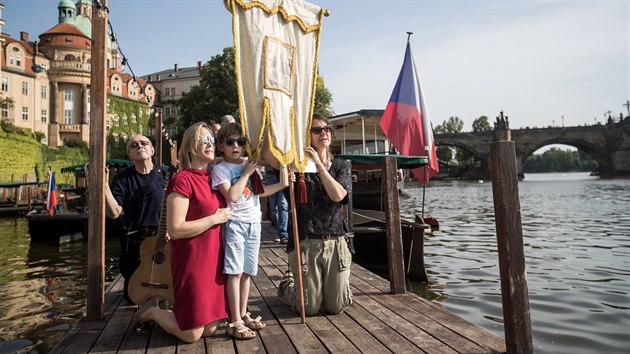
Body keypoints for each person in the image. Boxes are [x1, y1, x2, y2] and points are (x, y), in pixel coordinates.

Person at [131, 122, 232, 342]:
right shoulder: (182, 179)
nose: (209, 144)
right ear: (189, 147)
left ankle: (176, 314)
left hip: (214, 259)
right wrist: (214, 218)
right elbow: (175, 229)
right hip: (192, 261)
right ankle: (152, 312)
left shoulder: (215, 178)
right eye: (202, 140)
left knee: (210, 329)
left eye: (211, 140)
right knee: (191, 334)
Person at [212, 122, 288, 339]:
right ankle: (234, 319)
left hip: (254, 223)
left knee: (246, 273)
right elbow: (232, 196)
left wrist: (283, 183)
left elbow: (258, 192)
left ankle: (243, 313)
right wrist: (246, 172)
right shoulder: (221, 169)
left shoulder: (249, 163)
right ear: (221, 146)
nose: (236, 145)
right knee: (234, 273)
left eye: (240, 142)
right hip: (235, 224)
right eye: (230, 142)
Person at [278, 113, 353, 316]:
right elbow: (290, 200)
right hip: (306, 241)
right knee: (309, 308)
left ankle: (329, 287)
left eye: (327, 129)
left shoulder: (341, 166)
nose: (324, 133)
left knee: (336, 306)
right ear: (307, 135)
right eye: (317, 130)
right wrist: (289, 175)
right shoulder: (298, 168)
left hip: (335, 242)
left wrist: (320, 166)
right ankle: (288, 284)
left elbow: (338, 196)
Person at [105, 134, 168, 304]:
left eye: (144, 143)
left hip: (164, 238)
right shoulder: (123, 180)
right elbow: (114, 213)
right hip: (136, 241)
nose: (139, 146)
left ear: (152, 150)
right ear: (130, 155)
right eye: (134, 145)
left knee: (168, 289)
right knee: (134, 297)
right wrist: (104, 186)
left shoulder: (167, 174)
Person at [263, 166, 289, 243]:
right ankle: (279, 232)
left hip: (284, 173)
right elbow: (262, 160)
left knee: (283, 204)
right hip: (270, 174)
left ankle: (283, 234)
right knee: (274, 208)